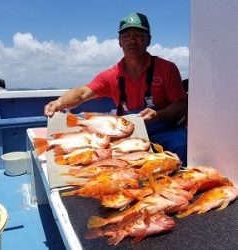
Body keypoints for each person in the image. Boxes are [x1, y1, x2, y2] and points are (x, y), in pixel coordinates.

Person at [44, 12, 188, 166]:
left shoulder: (167, 69)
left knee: (181, 144)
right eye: (126, 36)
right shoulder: (111, 75)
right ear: (120, 42)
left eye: (139, 35)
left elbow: (181, 104)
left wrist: (159, 115)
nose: (132, 40)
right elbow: (82, 93)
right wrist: (59, 102)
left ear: (149, 40)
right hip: (128, 134)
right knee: (101, 156)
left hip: (164, 129)